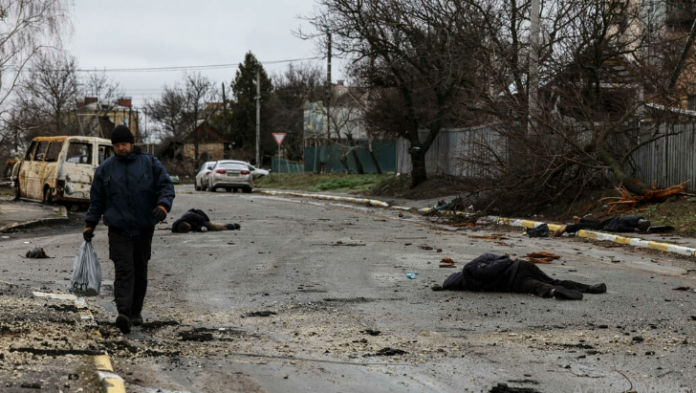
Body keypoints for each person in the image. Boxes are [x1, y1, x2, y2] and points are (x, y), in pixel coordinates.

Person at [83, 125, 175, 334]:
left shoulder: (149, 164)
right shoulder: (106, 169)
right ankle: (123, 313)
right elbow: (97, 200)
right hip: (118, 229)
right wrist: (90, 224)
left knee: (140, 270)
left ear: (131, 143)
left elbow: (166, 187)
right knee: (124, 270)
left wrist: (163, 206)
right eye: (116, 145)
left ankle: (135, 312)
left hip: (144, 227)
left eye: (123, 144)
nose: (120, 148)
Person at [432, 253, 607, 300]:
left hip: (515, 275)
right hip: (519, 267)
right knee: (551, 281)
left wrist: (508, 260)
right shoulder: (473, 279)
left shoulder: (471, 270)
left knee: (536, 286)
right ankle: (589, 288)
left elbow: (490, 270)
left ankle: (555, 292)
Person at [553, 215, 651, 237]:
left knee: (597, 223)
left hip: (613, 220)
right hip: (612, 224)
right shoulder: (628, 224)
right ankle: (567, 228)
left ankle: (580, 220)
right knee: (594, 226)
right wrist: (634, 230)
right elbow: (619, 228)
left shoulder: (637, 218)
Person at [171, 208, 241, 233]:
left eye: (189, 227)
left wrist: (206, 225)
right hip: (197, 222)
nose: (190, 227)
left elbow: (202, 220)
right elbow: (194, 228)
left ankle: (232, 226)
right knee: (207, 228)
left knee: (214, 227)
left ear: (186, 223)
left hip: (201, 216)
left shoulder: (190, 216)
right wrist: (201, 229)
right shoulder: (178, 226)